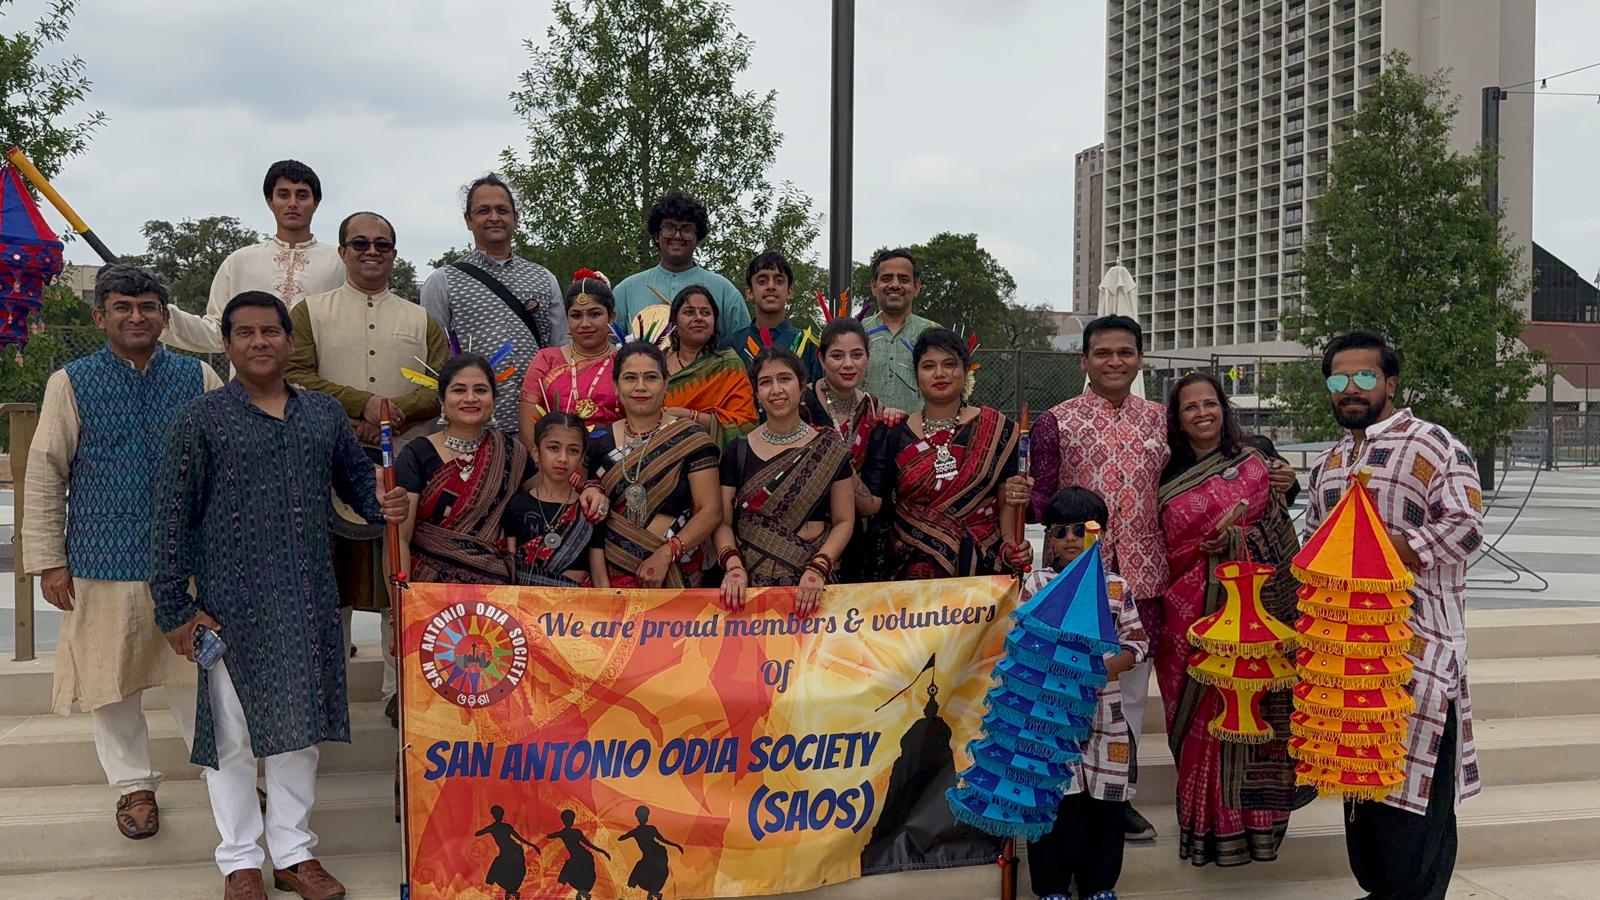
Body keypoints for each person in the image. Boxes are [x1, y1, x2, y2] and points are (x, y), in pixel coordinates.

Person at [150, 291, 409, 900]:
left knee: (299, 731)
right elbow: (170, 519)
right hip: (228, 604)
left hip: (306, 598)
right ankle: (240, 862)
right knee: (232, 737)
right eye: (245, 333)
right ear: (227, 344)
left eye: (270, 331)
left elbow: (357, 484)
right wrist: (175, 609)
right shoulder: (202, 418)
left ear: (290, 341)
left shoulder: (322, 414)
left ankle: (294, 853)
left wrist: (385, 503)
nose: (259, 342)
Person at [21, 264, 222, 841]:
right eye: (123, 307)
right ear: (99, 316)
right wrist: (50, 560)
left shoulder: (197, 375)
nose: (137, 317)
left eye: (148, 307)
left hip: (189, 563)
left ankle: (224, 776)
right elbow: (46, 471)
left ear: (164, 316)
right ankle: (133, 786)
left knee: (200, 679)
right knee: (110, 682)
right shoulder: (72, 381)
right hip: (101, 559)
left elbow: (226, 460)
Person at [1304, 331, 1483, 899]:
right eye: (1339, 380)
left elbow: (1465, 527)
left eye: (1364, 377)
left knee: (1416, 799)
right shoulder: (1330, 463)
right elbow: (1313, 544)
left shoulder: (1432, 445)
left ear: (1391, 382)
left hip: (1418, 652)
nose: (1351, 389)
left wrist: (1378, 550)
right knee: (1362, 789)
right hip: (1345, 657)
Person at [285, 210, 448, 723]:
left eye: (382, 244)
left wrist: (395, 412)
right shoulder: (310, 313)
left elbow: (442, 383)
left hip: (406, 467)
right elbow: (296, 374)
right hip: (327, 465)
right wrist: (360, 409)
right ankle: (324, 696)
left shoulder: (420, 319)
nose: (371, 252)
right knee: (328, 580)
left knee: (399, 577)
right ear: (342, 251)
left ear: (395, 254)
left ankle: (400, 696)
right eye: (360, 244)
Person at [1027, 313, 1167, 842]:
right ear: (1084, 361)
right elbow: (1041, 496)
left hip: (1144, 575)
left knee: (1129, 692)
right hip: (1075, 581)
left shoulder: (1160, 420)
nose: (1115, 362)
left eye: (1125, 352)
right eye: (1103, 353)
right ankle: (1063, 794)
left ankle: (1118, 796)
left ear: (1139, 359)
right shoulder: (1058, 420)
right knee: (1067, 687)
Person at [1157, 371, 1304, 867]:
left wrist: (1285, 487)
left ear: (1224, 407)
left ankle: (1256, 827)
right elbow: (1163, 543)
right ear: (1177, 419)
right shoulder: (1166, 471)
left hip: (1256, 611)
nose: (1202, 413)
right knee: (1200, 717)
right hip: (1191, 614)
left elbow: (1278, 517)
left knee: (1255, 709)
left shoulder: (1255, 456)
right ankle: (1203, 828)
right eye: (1190, 407)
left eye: (1210, 403)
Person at [1024, 488, 1149, 900]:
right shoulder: (1038, 583)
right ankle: (1052, 887)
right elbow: (1022, 640)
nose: (1071, 539)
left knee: (1106, 804)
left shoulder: (1115, 587)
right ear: (1049, 537)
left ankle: (1099, 886)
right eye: (1060, 531)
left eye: (1082, 530)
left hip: (1104, 716)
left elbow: (1137, 644)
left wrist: (1100, 669)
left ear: (1102, 534)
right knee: (1053, 800)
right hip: (1050, 716)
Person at [859, 328, 1030, 579]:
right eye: (928, 366)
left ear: (966, 370)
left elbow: (1006, 500)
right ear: (916, 375)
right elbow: (876, 506)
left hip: (980, 572)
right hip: (906, 575)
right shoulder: (893, 433)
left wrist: (1010, 547)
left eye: (949, 364)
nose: (939, 373)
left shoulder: (998, 431)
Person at [420, 173, 567, 436]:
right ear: (468, 220)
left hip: (537, 424)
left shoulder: (544, 279)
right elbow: (435, 361)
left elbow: (560, 352)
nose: (494, 217)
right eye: (483, 211)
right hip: (470, 426)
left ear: (515, 218)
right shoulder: (444, 281)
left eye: (502, 210)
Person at [714, 347, 854, 617]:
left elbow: (844, 520)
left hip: (813, 585)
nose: (776, 390)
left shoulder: (829, 447)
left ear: (802, 388)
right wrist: (733, 567)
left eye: (785, 379)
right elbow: (722, 522)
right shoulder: (738, 450)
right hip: (751, 587)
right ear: (756, 393)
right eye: (765, 382)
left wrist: (818, 569)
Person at [579, 341, 722, 588]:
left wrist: (667, 553)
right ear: (615, 386)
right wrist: (590, 487)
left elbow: (711, 511)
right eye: (630, 378)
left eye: (651, 377)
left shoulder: (691, 438)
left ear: (666, 383)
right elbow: (577, 497)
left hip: (675, 572)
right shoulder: (597, 440)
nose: (641, 386)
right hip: (609, 577)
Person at [163, 160, 343, 353]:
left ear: (316, 203)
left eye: (302, 195)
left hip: (323, 372)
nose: (293, 203)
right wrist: (161, 313)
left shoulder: (340, 262)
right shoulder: (239, 262)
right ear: (270, 201)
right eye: (283, 195)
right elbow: (217, 333)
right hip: (250, 372)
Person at [395, 353, 530, 584]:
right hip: (427, 588)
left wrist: (590, 487)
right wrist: (403, 599)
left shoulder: (512, 453)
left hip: (493, 592)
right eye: (459, 390)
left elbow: (550, 496)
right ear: (441, 399)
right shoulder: (416, 455)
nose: (470, 398)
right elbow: (400, 538)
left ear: (494, 398)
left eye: (481, 390)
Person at [801, 316, 898, 583]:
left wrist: (837, 461)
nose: (848, 364)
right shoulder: (800, 404)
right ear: (821, 359)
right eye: (837, 355)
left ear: (867, 358)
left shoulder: (874, 411)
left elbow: (871, 503)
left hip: (855, 539)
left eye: (857, 355)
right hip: (800, 535)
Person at [611, 190, 752, 336]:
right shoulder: (626, 291)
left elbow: (744, 344)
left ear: (698, 238)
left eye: (686, 229)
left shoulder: (724, 291)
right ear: (657, 235)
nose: (677, 236)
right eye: (669, 228)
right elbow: (608, 345)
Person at [504, 413, 606, 587]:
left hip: (577, 602)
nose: (563, 458)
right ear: (536, 453)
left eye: (573, 451)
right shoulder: (517, 506)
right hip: (526, 602)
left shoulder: (589, 510)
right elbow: (511, 572)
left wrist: (609, 603)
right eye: (553, 448)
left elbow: (599, 575)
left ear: (581, 458)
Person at [520, 272, 622, 437]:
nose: (585, 323)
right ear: (567, 319)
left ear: (611, 318)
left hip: (620, 450)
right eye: (576, 316)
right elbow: (529, 424)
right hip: (555, 451)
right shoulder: (547, 360)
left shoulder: (625, 361)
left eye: (594, 314)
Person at [662, 284, 757, 447]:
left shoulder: (728, 365)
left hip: (711, 456)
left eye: (706, 312)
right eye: (689, 312)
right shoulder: (657, 364)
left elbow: (746, 425)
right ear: (674, 325)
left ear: (714, 325)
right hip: (656, 453)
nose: (699, 317)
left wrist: (689, 416)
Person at [722, 250, 822, 383]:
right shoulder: (731, 345)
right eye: (762, 281)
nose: (771, 286)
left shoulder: (809, 344)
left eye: (779, 281)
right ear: (750, 292)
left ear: (790, 292)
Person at [860, 248, 939, 415]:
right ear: (874, 286)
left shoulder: (935, 334)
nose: (895, 285)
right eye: (886, 278)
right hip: (860, 429)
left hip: (918, 429)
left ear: (917, 287)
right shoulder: (854, 332)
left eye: (904, 279)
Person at [543, 808, 611, 900]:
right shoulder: (564, 833)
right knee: (571, 874)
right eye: (568, 820)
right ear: (564, 821)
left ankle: (582, 892)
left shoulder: (571, 832)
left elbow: (588, 844)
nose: (570, 822)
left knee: (578, 873)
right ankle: (582, 892)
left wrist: (603, 851)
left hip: (583, 856)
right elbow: (550, 836)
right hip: (577, 857)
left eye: (571, 820)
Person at [619, 805, 683, 900]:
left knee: (652, 871)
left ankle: (653, 892)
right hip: (649, 856)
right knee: (643, 871)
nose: (644, 818)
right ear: (638, 818)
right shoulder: (636, 831)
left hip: (657, 854)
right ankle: (653, 892)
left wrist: (676, 845)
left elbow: (662, 839)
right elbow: (621, 838)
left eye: (645, 816)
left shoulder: (648, 829)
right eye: (642, 816)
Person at [475, 805, 537, 899]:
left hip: (514, 850)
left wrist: (532, 845)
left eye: (500, 815)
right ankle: (511, 891)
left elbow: (519, 838)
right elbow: (478, 833)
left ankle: (512, 890)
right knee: (502, 869)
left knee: (515, 869)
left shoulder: (503, 827)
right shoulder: (494, 827)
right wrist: (486, 829)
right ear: (494, 816)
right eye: (498, 815)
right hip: (506, 852)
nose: (500, 817)